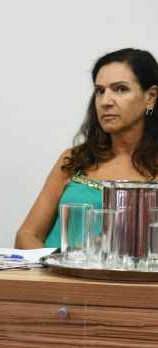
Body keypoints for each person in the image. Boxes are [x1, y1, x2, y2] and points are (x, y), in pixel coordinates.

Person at [15, 48, 158, 249]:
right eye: (100, 91)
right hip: (57, 269)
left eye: (121, 89)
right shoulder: (75, 159)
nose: (105, 102)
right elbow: (27, 235)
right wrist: (64, 262)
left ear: (150, 97)